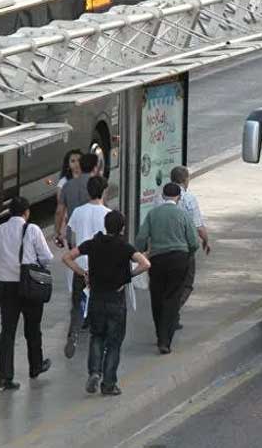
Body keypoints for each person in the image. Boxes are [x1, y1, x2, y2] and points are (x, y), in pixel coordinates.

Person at [62, 211, 149, 396]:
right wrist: (128, 277)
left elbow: (67, 257)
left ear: (105, 225)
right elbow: (145, 264)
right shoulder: (125, 247)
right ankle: (109, 384)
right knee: (114, 343)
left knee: (97, 337)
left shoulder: (93, 244)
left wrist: (82, 273)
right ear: (122, 228)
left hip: (97, 299)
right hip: (116, 301)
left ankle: (94, 372)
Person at [0, 197, 53, 390]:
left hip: (6, 286)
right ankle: (35, 366)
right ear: (26, 212)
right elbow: (47, 257)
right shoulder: (33, 229)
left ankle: (5, 376)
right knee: (33, 327)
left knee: (7, 331)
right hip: (29, 284)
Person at [135, 183, 199, 354]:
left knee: (157, 296)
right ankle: (166, 340)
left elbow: (141, 238)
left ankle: (159, 334)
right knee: (172, 297)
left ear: (163, 196)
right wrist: (188, 254)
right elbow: (193, 242)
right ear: (178, 198)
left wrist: (140, 252)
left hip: (157, 259)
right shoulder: (183, 215)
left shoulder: (152, 214)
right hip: (178, 259)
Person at [62, 175, 112, 359]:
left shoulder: (78, 212)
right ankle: (97, 338)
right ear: (103, 191)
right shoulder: (107, 214)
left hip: (81, 266)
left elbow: (71, 237)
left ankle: (73, 333)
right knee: (99, 304)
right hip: (100, 268)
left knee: (77, 303)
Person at [168, 166, 210, 330]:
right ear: (185, 180)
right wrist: (206, 240)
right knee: (186, 283)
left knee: (169, 283)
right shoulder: (189, 198)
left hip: (163, 248)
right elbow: (198, 226)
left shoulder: (160, 197)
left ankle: (172, 314)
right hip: (183, 248)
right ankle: (172, 310)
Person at [53, 149, 82, 248]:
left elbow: (60, 210)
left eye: (79, 160)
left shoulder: (89, 178)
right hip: (74, 226)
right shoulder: (63, 183)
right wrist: (59, 231)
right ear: (68, 164)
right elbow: (61, 210)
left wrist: (57, 233)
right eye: (73, 161)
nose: (76, 163)